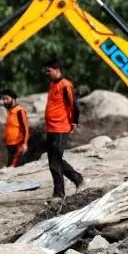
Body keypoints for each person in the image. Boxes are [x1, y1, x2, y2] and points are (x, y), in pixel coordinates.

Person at [44, 60, 83, 199]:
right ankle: (77, 179)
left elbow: (74, 105)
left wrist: (74, 122)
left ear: (57, 70)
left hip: (61, 127)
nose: (46, 73)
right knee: (53, 161)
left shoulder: (65, 85)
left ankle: (59, 194)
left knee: (56, 160)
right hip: (51, 128)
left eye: (48, 71)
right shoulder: (52, 84)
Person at [1, 90, 29, 168]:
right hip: (10, 145)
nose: (5, 101)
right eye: (3, 99)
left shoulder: (20, 110)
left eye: (7, 99)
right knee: (11, 166)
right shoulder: (9, 112)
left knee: (12, 167)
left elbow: (25, 128)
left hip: (18, 144)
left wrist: (24, 143)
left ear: (13, 99)